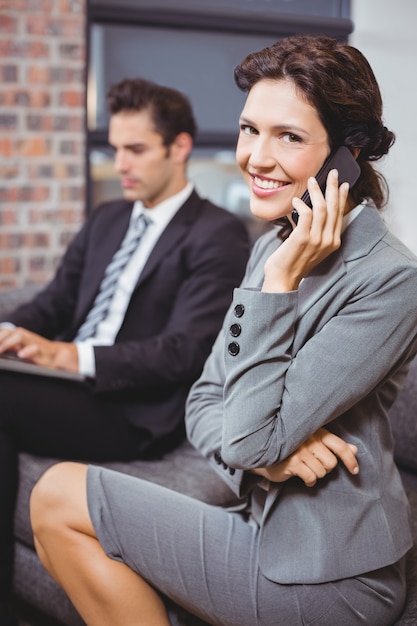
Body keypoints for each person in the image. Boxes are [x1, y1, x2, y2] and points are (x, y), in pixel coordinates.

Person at [30, 35, 417, 626]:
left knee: (59, 496)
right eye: (248, 129)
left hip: (332, 572)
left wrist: (283, 280)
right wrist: (267, 460)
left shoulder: (389, 279)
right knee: (55, 497)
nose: (256, 158)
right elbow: (206, 401)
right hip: (260, 524)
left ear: (348, 153)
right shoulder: (270, 246)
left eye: (288, 136)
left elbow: (246, 438)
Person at [0, 78, 250, 624]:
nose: (121, 164)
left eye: (136, 150)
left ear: (179, 147)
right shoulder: (108, 218)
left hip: (134, 411)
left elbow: (184, 352)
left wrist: (67, 357)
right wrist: (8, 330)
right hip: (72, 389)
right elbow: (51, 305)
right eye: (115, 149)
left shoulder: (217, 234)